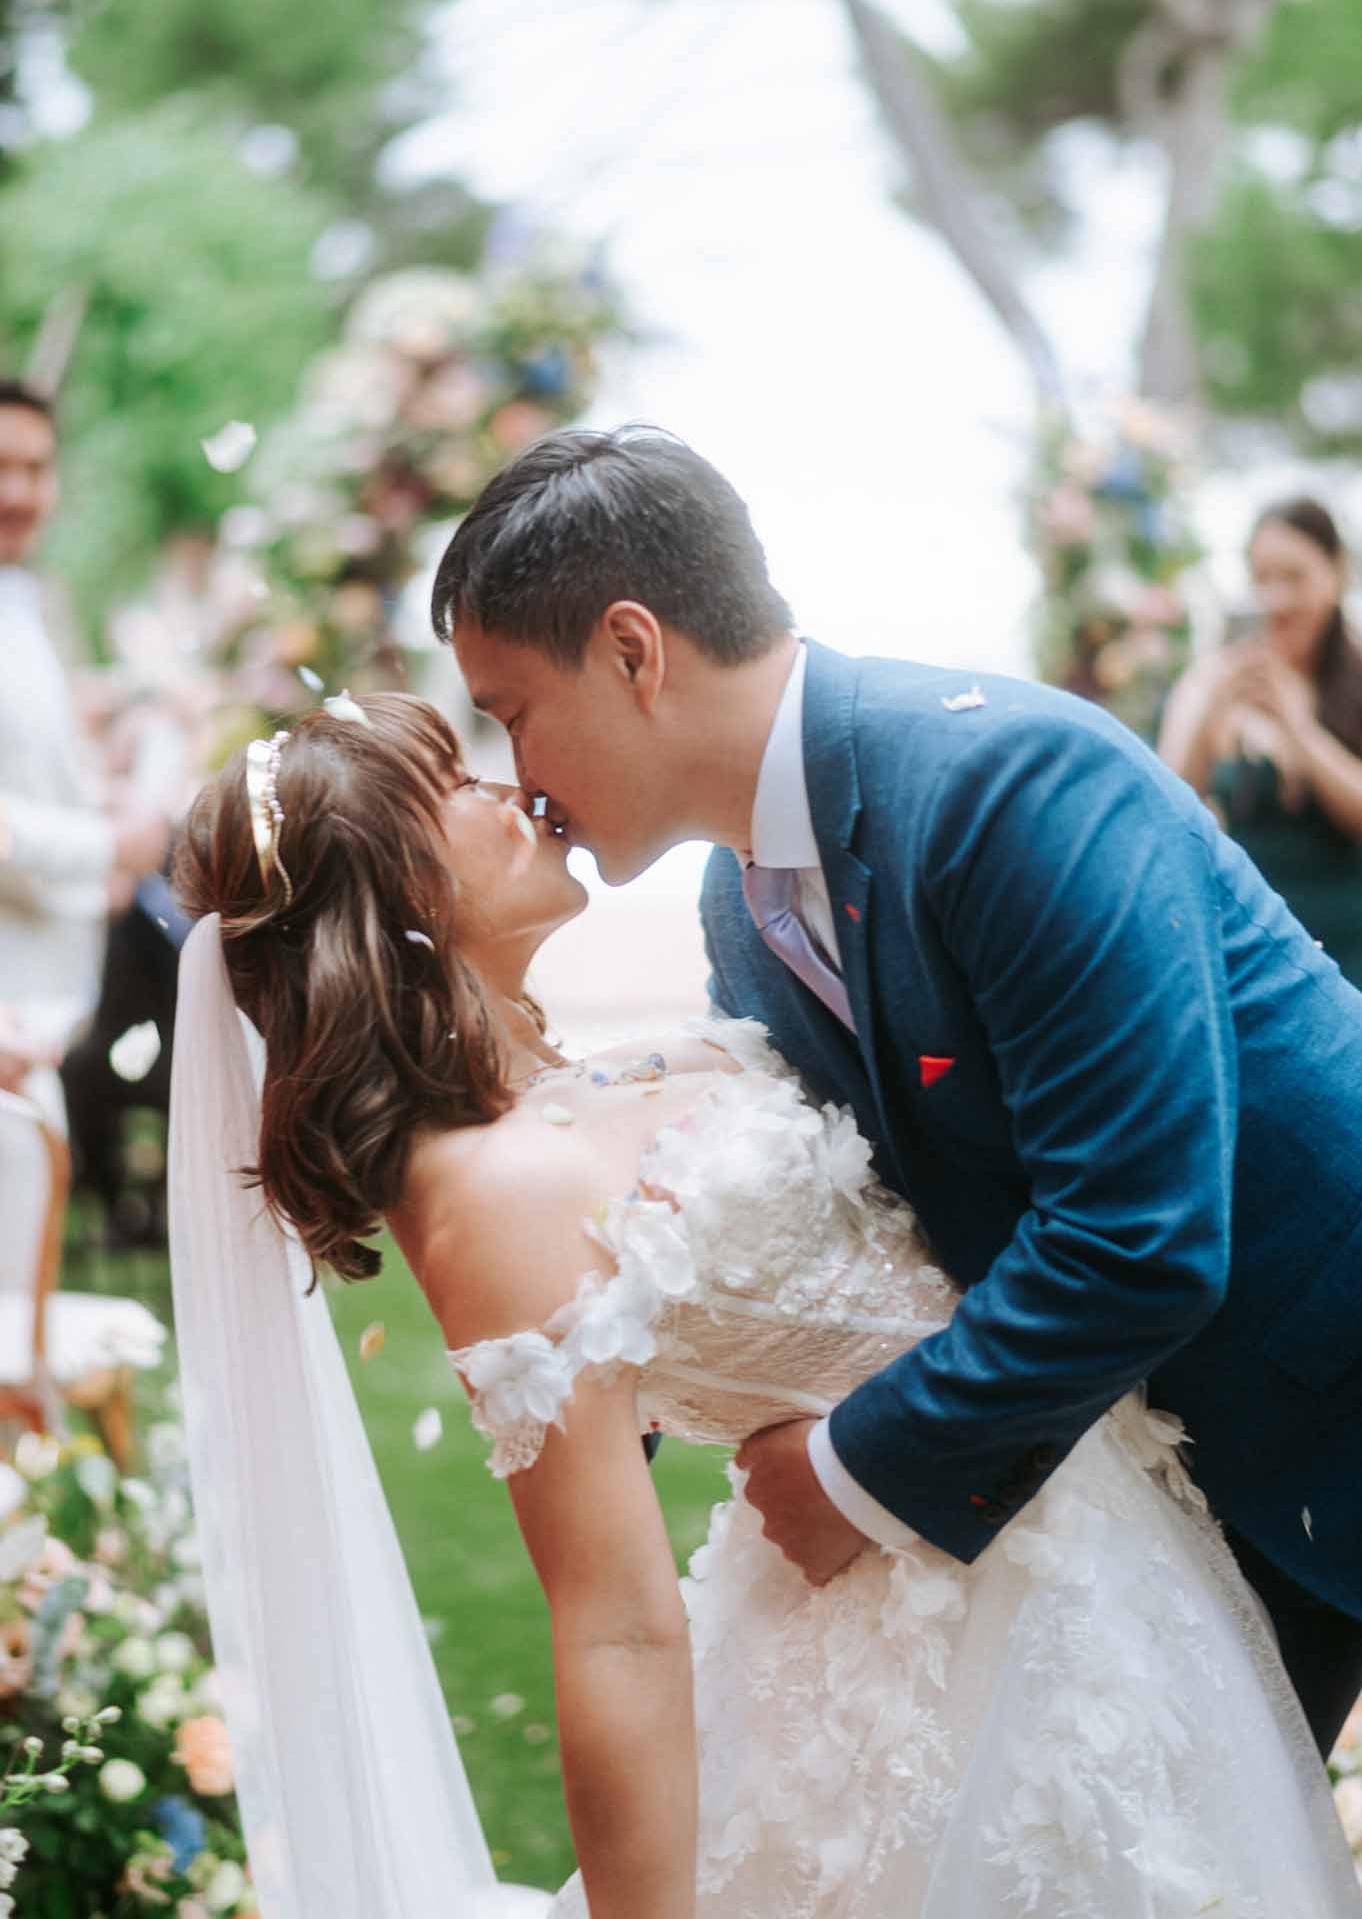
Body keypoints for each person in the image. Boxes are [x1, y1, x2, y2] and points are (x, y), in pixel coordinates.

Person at [169, 692, 1360, 1918]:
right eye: (450, 787)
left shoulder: (563, 1085)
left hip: (1081, 1562)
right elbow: (614, 1626)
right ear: (394, 893)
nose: (503, 785)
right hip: (941, 1675)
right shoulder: (488, 1199)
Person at [432, 426, 1362, 1771]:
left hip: (1320, 1391)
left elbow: (1138, 1232)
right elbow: (857, 1213)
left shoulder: (1006, 786)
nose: (516, 773)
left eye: (510, 710)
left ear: (633, 651)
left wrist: (856, 1471)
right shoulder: (738, 908)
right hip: (1156, 1481)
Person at [0, 379, 167, 1121]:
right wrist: (112, 845)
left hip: (40, 1017)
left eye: (36, 468)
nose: (19, 492)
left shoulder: (29, 601)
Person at [1159, 496, 1362, 985]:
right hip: (1256, 961)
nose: (1278, 599)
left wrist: (1298, 730)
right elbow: (1167, 809)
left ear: (1335, 573)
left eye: (1294, 577)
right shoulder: (1213, 682)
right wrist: (1208, 704)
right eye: (1262, 579)